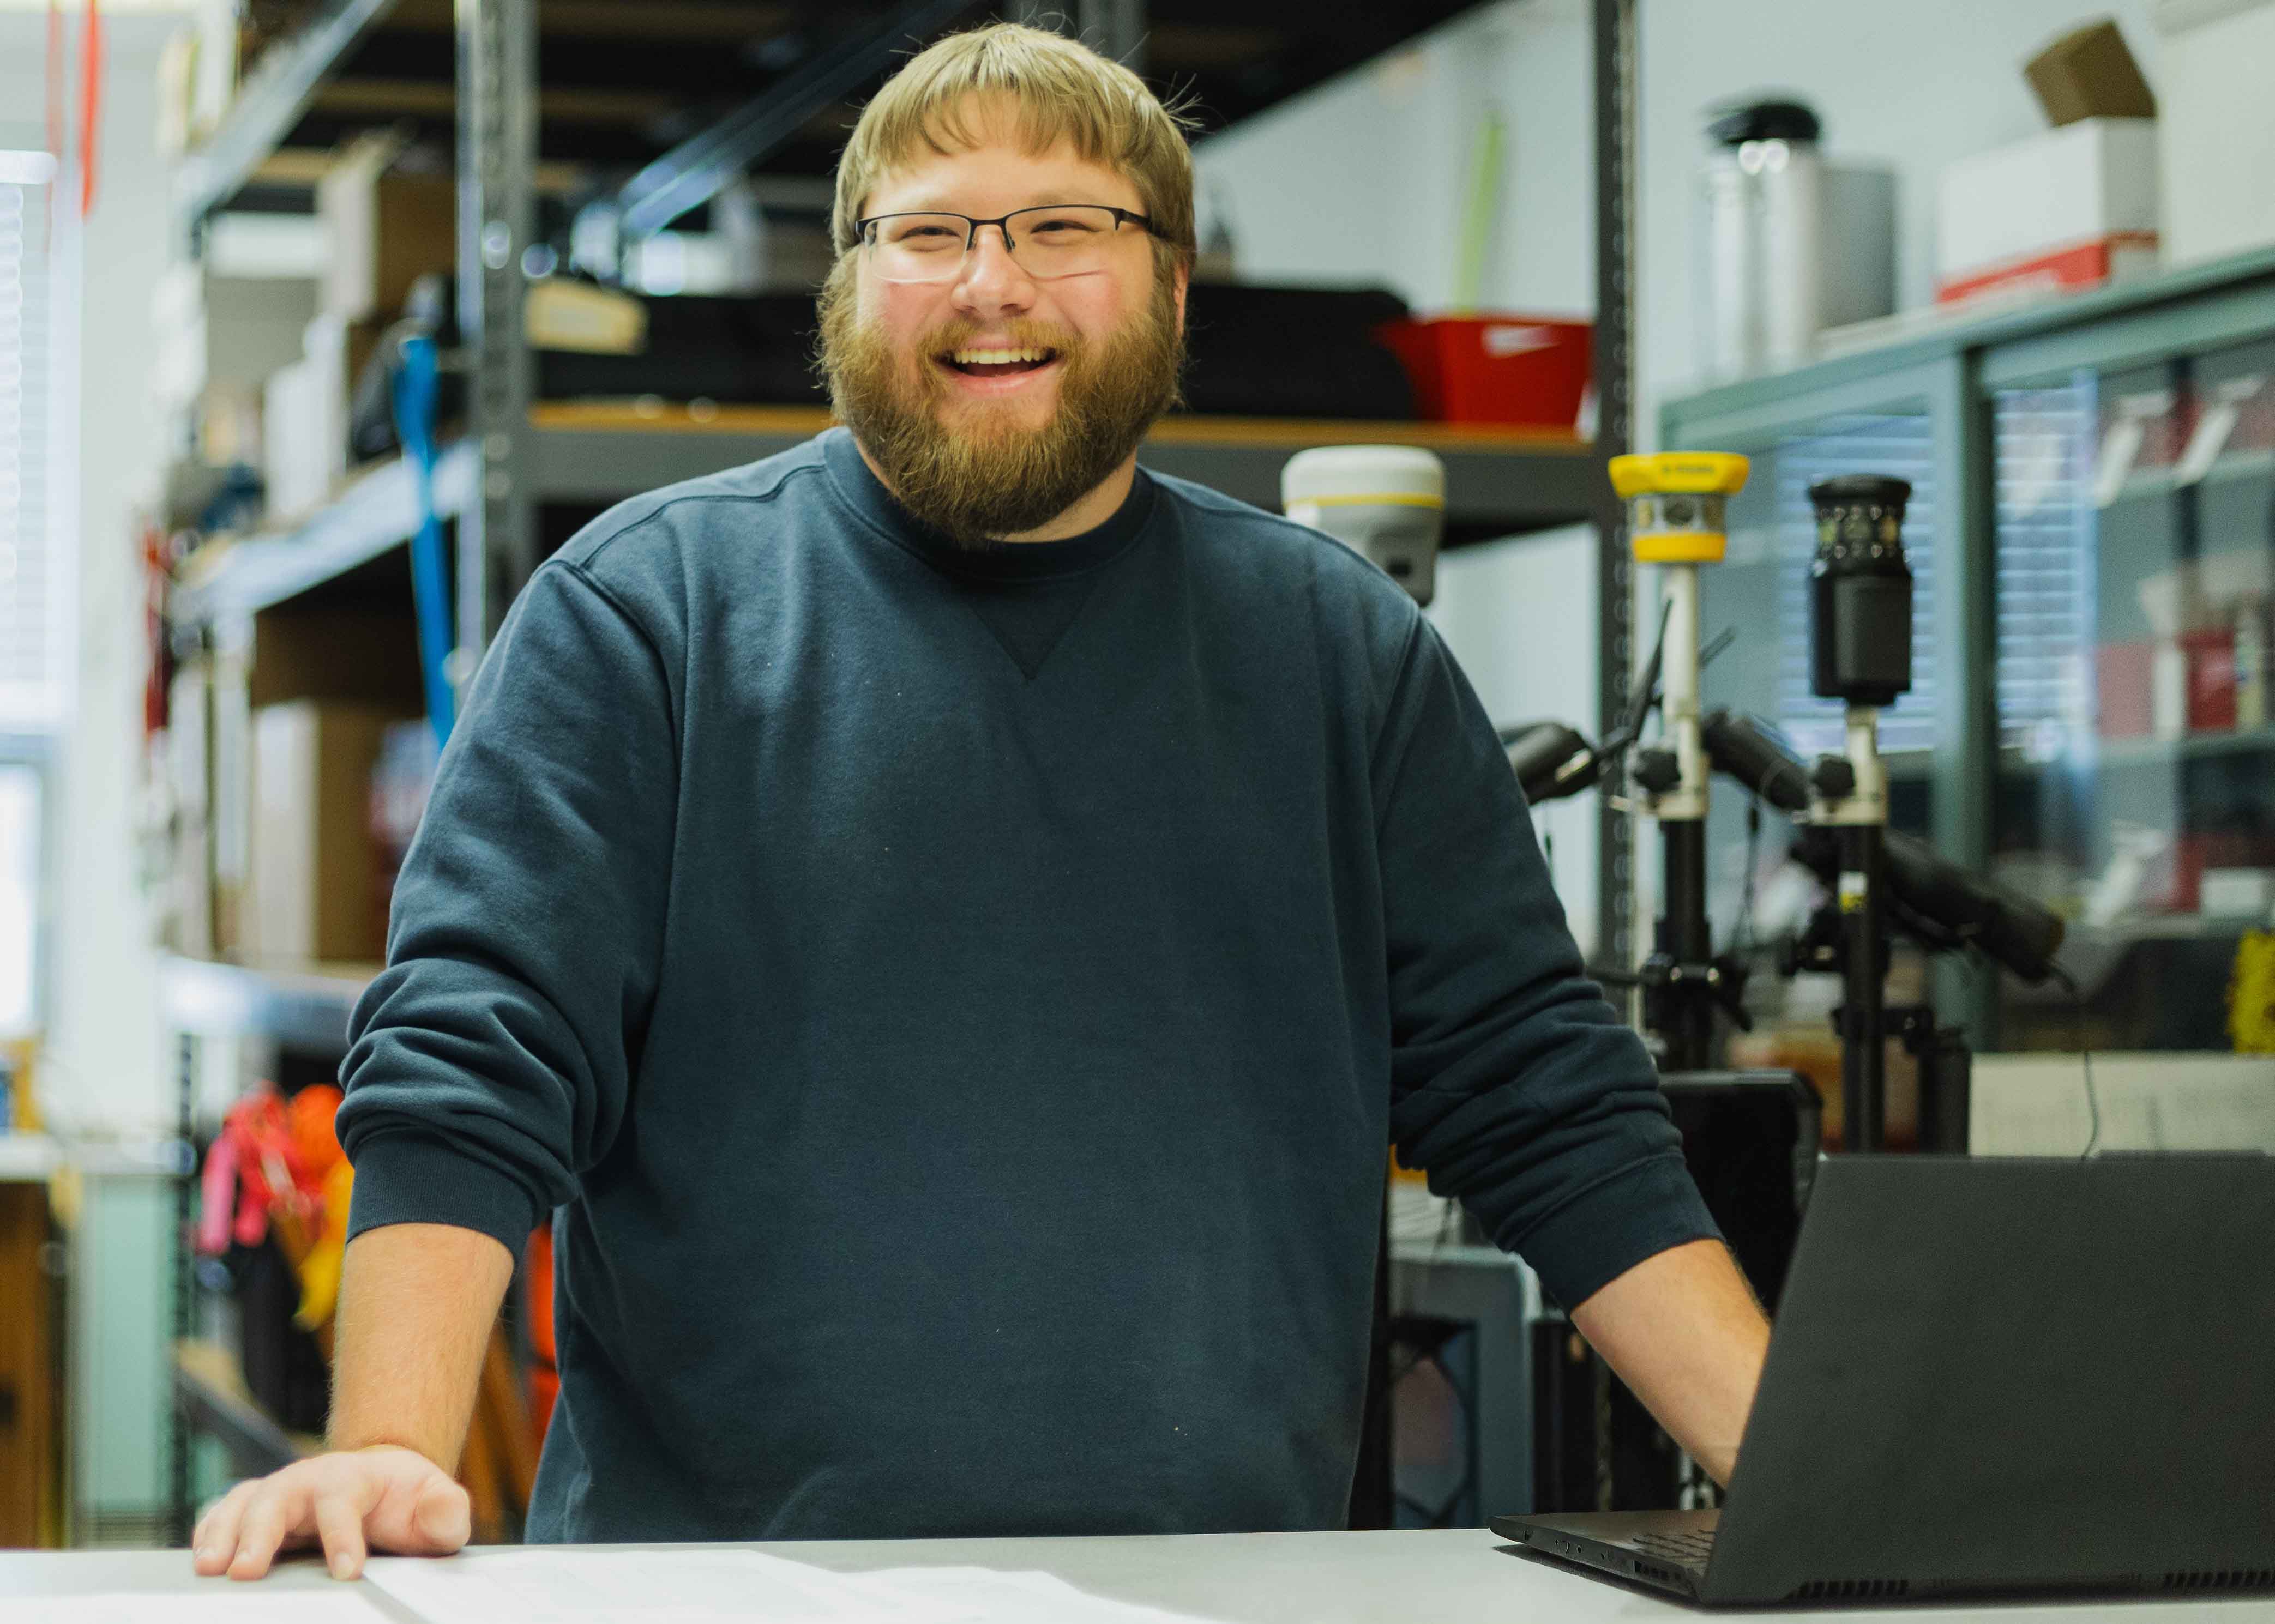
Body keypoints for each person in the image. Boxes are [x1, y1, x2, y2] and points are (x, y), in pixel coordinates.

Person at [192, 22, 1770, 1584]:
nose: (990, 282)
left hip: (1233, 1588)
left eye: (1062, 228)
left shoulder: (1343, 654)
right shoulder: (645, 616)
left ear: (1168, 286)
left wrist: (1806, 1495)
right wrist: (391, 1440)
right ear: (843, 293)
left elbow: (1543, 1102)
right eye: (927, 231)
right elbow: (474, 1051)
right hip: (721, 1594)